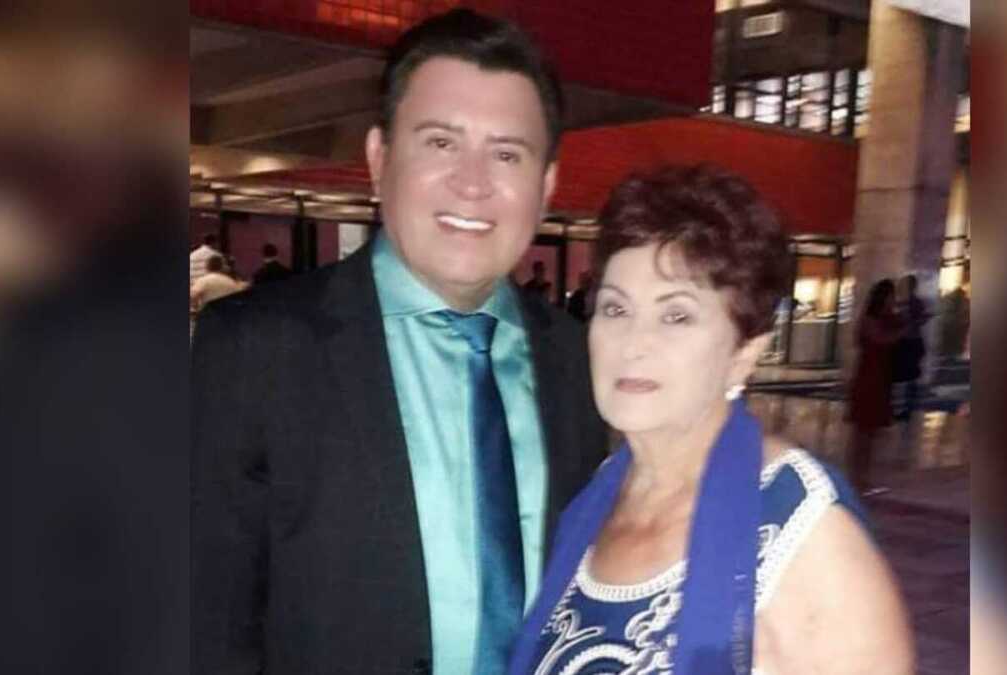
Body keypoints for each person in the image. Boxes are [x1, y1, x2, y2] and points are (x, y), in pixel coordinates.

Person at [191, 9, 607, 675]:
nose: (473, 182)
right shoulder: (254, 349)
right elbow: (206, 623)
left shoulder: (579, 361)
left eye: (507, 154)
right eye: (440, 143)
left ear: (547, 185)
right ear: (379, 158)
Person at [510, 165, 913, 675]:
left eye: (676, 315)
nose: (633, 343)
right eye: (615, 309)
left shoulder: (805, 538)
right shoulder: (597, 495)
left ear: (745, 352)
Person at [847, 279, 906, 494]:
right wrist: (899, 332)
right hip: (869, 377)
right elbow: (880, 339)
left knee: (870, 432)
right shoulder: (870, 320)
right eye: (891, 296)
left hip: (880, 377)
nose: (894, 300)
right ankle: (858, 477)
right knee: (863, 431)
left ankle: (863, 476)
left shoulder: (885, 319)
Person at [891, 274, 929, 421]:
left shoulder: (911, 303)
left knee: (908, 376)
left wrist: (911, 323)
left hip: (909, 342)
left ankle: (907, 408)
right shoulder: (907, 302)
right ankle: (906, 408)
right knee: (908, 376)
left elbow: (920, 320)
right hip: (909, 341)